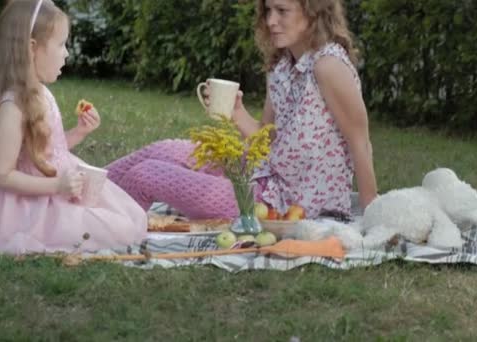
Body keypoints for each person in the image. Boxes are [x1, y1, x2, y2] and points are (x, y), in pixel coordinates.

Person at [106, 0, 377, 220]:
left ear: (313, 11)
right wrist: (236, 112)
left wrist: (371, 216)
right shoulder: (282, 65)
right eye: (268, 10)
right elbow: (265, 137)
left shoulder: (328, 66)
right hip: (259, 174)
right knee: (162, 151)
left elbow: (360, 142)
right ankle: (77, 182)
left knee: (148, 174)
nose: (271, 21)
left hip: (287, 204)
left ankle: (102, 223)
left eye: (282, 11)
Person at [0, 0, 146, 255]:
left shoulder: (41, 93)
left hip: (58, 187)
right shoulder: (13, 105)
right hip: (31, 205)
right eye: (61, 44)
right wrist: (56, 187)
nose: (67, 53)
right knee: (116, 229)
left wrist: (78, 132)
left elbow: (46, 151)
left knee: (130, 217)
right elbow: (1, 175)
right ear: (31, 49)